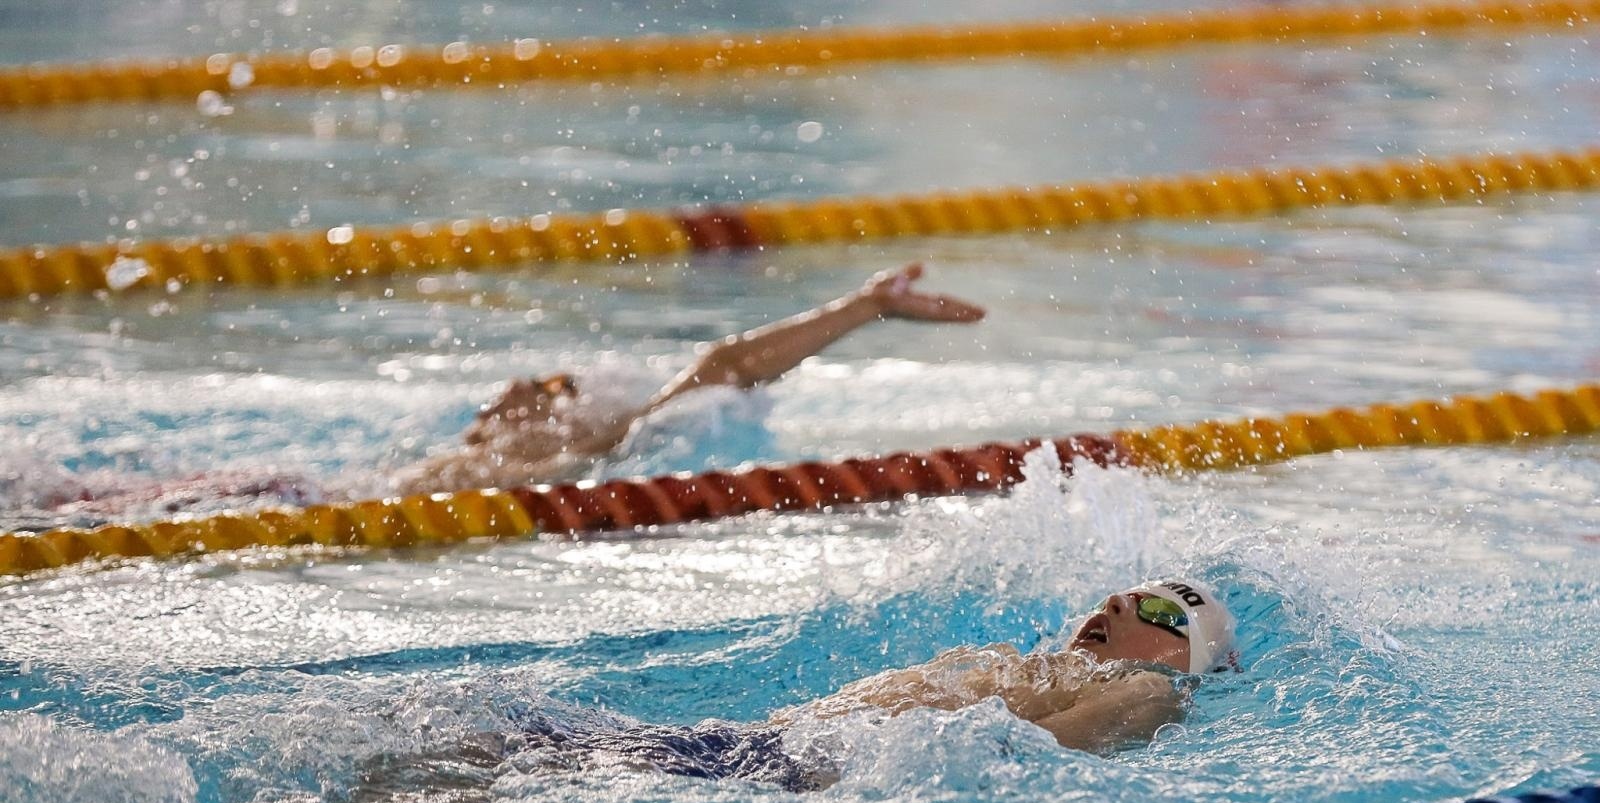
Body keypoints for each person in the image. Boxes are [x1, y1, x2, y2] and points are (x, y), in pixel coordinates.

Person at [36, 264, 984, 516]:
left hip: (321, 509)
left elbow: (727, 369)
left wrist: (863, 308)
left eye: (554, 381)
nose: (528, 380)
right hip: (307, 502)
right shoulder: (525, 448)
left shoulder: (591, 448)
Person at [353, 580, 1239, 800]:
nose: (1119, 600)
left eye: (1157, 605)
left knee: (473, 765)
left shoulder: (1149, 694)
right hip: (740, 744)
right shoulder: (1043, 663)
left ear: (1179, 654)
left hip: (786, 775)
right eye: (1124, 588)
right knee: (471, 746)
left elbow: (1030, 759)